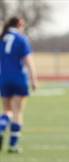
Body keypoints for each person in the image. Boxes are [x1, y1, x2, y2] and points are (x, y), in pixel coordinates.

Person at [0, 16, 37, 153]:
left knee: (7, 110)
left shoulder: (2, 38)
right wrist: (34, 79)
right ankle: (13, 145)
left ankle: (1, 126)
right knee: (17, 112)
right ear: (20, 24)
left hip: (3, 79)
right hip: (19, 79)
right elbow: (29, 62)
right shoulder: (22, 39)